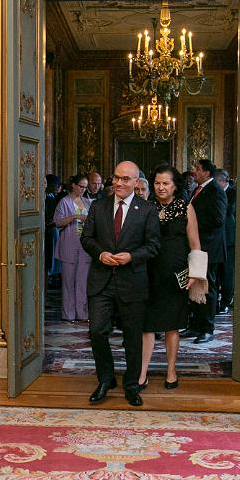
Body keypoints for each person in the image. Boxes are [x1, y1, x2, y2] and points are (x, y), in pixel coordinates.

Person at [80, 161, 160, 406]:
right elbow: (87, 238)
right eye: (116, 177)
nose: (119, 183)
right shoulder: (98, 206)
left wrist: (132, 257)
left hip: (132, 282)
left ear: (136, 183)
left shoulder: (147, 210)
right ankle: (105, 379)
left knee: (133, 337)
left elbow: (154, 246)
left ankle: (132, 385)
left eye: (125, 179)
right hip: (101, 281)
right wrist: (100, 254)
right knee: (97, 332)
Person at [139, 164, 205, 390]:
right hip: (148, 274)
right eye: (157, 183)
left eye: (165, 183)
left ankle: (171, 370)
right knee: (146, 326)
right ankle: (142, 373)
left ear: (175, 185)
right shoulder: (145, 207)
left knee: (171, 326)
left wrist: (195, 275)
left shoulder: (185, 207)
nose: (161, 187)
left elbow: (195, 244)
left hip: (176, 276)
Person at [182, 158, 227, 343]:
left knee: (208, 288)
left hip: (210, 248)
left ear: (207, 172)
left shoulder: (215, 191)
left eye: (198, 169)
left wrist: (192, 225)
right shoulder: (198, 189)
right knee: (195, 285)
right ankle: (195, 325)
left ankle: (207, 328)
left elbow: (218, 219)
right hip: (197, 247)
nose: (194, 172)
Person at [53, 174, 92, 321]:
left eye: (85, 187)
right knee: (68, 281)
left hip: (84, 246)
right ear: (74, 185)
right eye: (81, 186)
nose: (83, 189)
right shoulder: (64, 202)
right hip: (69, 244)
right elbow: (57, 222)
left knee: (82, 281)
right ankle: (68, 314)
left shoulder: (88, 202)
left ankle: (82, 314)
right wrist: (75, 217)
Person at [214, 168, 236, 313]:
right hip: (217, 238)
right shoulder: (216, 192)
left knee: (228, 273)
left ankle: (226, 301)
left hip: (229, 238)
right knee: (217, 273)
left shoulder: (233, 193)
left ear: (222, 181)